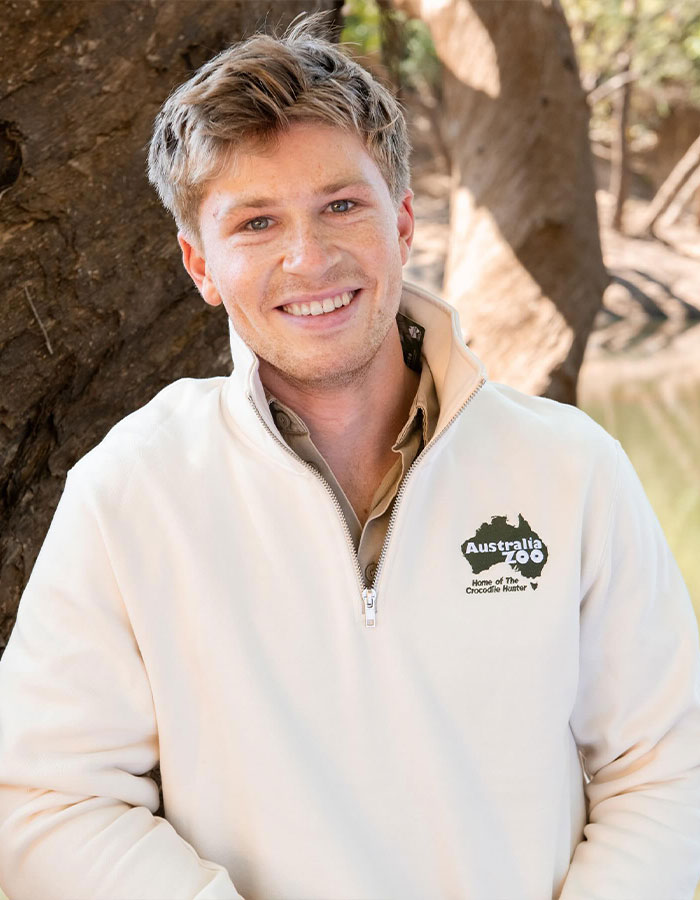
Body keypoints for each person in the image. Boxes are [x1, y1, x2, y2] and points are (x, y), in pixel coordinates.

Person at [1, 15, 699, 900]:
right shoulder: (131, 491)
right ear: (199, 264)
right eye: (255, 222)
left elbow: (670, 769)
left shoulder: (571, 471)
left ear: (403, 221)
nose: (309, 257)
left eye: (341, 204)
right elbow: (47, 802)